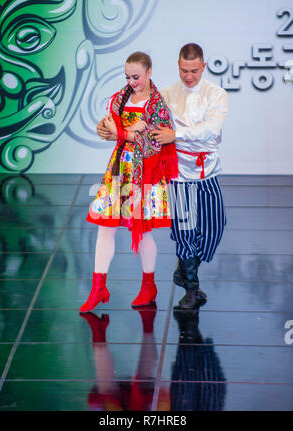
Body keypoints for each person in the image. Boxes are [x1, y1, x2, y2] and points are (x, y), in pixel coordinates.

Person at [80, 52, 178, 313]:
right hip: (120, 169)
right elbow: (112, 130)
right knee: (105, 226)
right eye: (128, 77)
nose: (132, 81)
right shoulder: (121, 98)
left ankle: (149, 285)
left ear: (149, 72)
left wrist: (120, 132)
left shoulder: (157, 105)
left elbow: (153, 142)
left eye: (136, 76)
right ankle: (98, 286)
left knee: (143, 230)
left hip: (145, 172)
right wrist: (104, 130)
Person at [151, 43, 228, 309]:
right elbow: (148, 122)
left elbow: (211, 129)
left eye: (194, 71)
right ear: (178, 65)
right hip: (178, 173)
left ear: (203, 66)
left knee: (215, 226)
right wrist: (113, 127)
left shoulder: (216, 94)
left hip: (207, 171)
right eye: (184, 70)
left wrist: (178, 135)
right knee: (185, 231)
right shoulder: (167, 94)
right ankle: (191, 288)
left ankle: (185, 265)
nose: (189, 76)